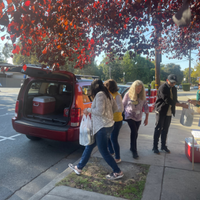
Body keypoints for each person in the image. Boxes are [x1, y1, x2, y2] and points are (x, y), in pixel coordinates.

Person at [68, 79, 124, 180]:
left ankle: (117, 171)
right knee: (90, 145)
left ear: (94, 87)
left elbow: (99, 111)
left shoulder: (100, 95)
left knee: (103, 151)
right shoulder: (108, 94)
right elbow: (117, 109)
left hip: (102, 127)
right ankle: (79, 168)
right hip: (108, 125)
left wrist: (88, 110)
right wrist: (108, 113)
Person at [153, 74, 189, 154]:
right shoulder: (163, 88)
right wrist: (180, 105)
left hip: (169, 111)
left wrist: (181, 103)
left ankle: (163, 146)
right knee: (158, 128)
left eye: (174, 83)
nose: (173, 84)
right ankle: (155, 147)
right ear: (167, 80)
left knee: (165, 129)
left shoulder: (174, 89)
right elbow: (168, 100)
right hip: (161, 110)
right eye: (171, 82)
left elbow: (175, 100)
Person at [122, 80, 149, 159]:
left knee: (135, 133)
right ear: (134, 88)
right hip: (129, 115)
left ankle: (131, 147)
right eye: (137, 88)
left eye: (140, 88)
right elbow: (123, 105)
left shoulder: (142, 96)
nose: (139, 90)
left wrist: (146, 119)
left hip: (138, 117)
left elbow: (146, 107)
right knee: (134, 132)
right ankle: (134, 151)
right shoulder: (128, 94)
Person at [104, 79, 124, 164]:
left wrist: (110, 110)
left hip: (116, 120)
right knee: (107, 137)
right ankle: (111, 151)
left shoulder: (117, 95)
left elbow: (121, 109)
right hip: (109, 120)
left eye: (105, 86)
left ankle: (117, 157)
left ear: (109, 87)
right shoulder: (107, 94)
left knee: (113, 139)